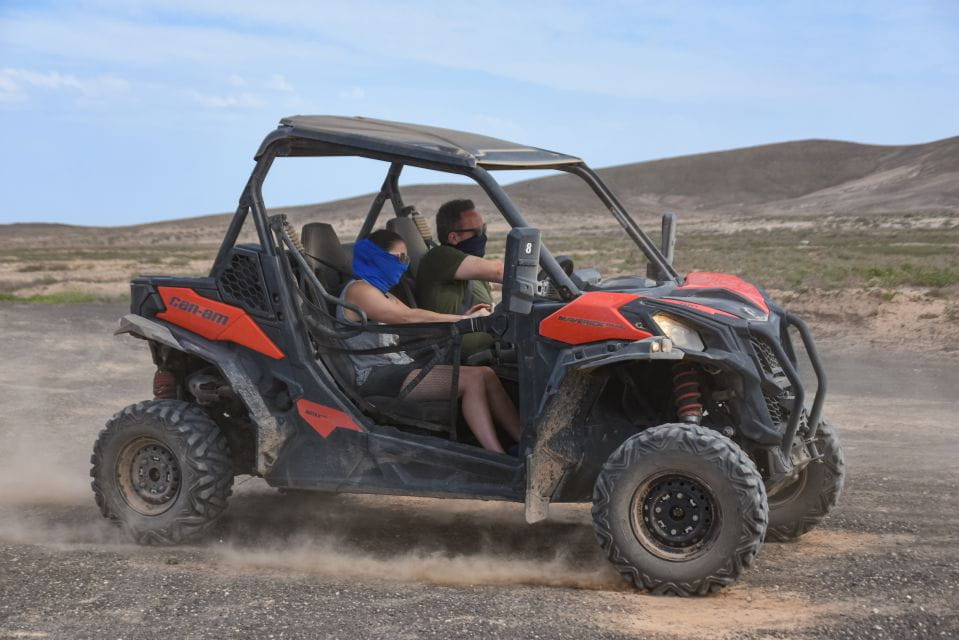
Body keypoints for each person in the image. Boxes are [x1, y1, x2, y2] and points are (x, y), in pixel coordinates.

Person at [338, 229, 520, 454]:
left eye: (408, 259)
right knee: (472, 380)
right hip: (375, 375)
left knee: (487, 374)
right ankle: (498, 457)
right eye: (400, 258)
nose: (404, 265)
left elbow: (416, 318)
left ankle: (523, 443)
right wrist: (465, 320)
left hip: (397, 367)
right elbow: (406, 318)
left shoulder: (382, 292)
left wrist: (464, 320)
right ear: (377, 257)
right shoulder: (359, 290)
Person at [415, 199, 502, 358]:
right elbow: (499, 271)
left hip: (490, 347)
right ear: (454, 237)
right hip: (460, 357)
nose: (482, 236)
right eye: (477, 232)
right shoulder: (440, 257)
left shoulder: (471, 266)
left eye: (483, 228)